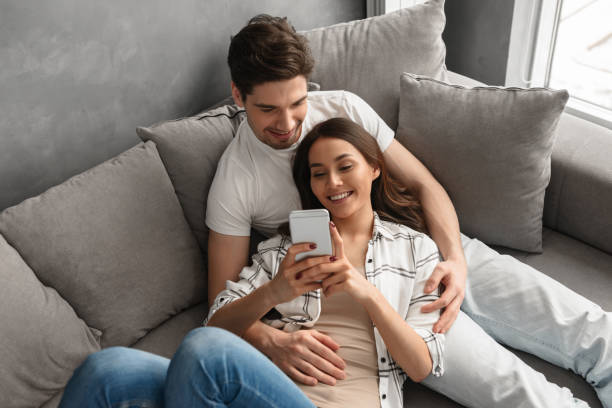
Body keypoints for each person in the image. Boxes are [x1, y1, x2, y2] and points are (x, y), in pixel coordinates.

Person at [60, 14, 611, 408]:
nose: (289, 122)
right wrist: (273, 338)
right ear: (238, 97)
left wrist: (455, 262)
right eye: (268, 109)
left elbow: (426, 187)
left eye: (298, 102)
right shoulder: (237, 182)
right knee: (511, 389)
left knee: (586, 326)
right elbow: (221, 305)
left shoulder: (343, 108)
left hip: (423, 247)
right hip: (363, 294)